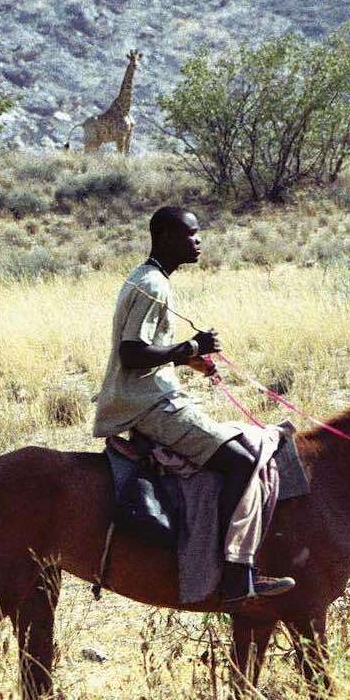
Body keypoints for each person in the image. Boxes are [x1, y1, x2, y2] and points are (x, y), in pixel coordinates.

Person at [93, 206, 295, 606]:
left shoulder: (151, 279)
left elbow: (146, 350)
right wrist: (190, 347)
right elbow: (132, 354)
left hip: (152, 396)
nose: (198, 241)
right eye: (190, 234)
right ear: (166, 236)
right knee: (241, 460)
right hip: (148, 404)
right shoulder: (153, 284)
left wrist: (188, 360)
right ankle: (236, 572)